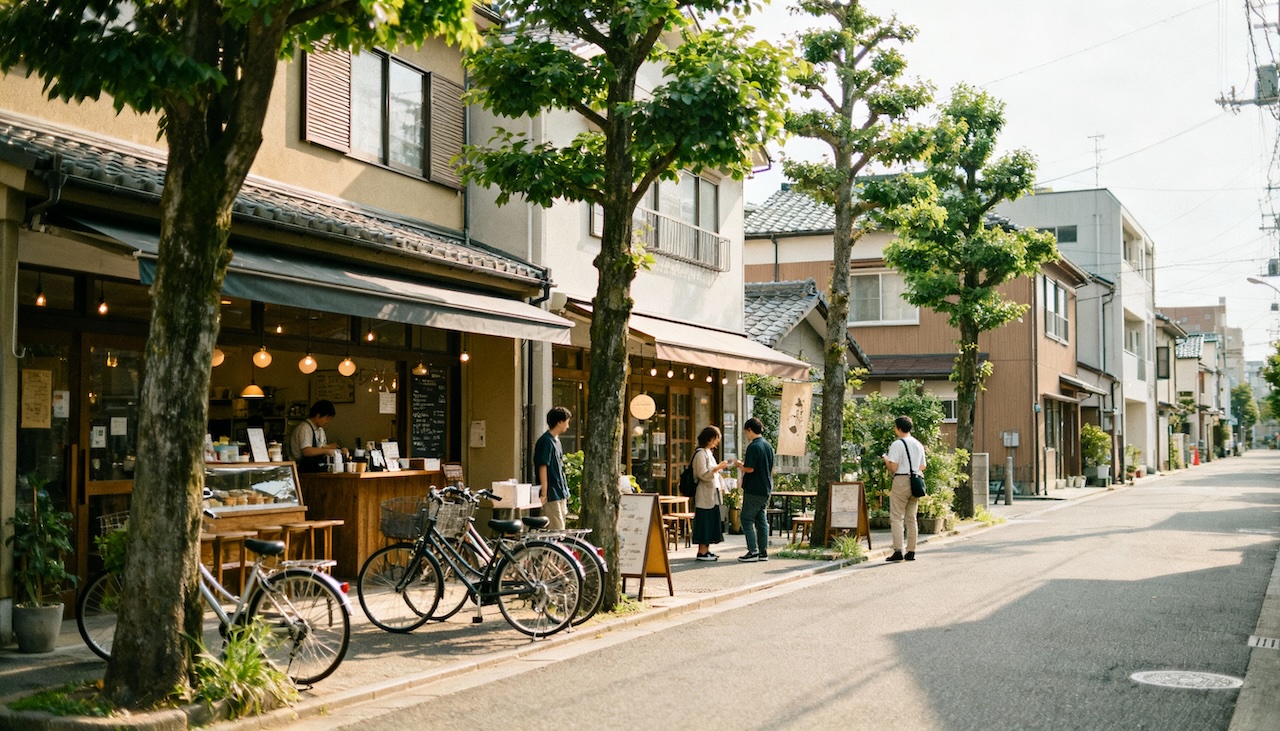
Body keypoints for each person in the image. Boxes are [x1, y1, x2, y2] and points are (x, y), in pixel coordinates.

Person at [882, 415, 926, 562]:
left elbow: (893, 467)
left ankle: (898, 550)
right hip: (916, 480)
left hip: (901, 480)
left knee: (896, 517)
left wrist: (886, 461)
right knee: (911, 518)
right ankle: (911, 551)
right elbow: (923, 466)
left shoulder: (897, 444)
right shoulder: (918, 444)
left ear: (898, 428)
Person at [735, 417, 774, 562]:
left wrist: (740, 465)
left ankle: (753, 551)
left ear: (750, 430)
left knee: (746, 518)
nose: (746, 435)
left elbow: (750, 468)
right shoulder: (767, 446)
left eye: (746, 432)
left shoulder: (754, 446)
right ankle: (763, 551)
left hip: (754, 488)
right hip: (765, 487)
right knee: (761, 520)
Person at [692, 425, 732, 561]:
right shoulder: (700, 454)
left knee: (710, 521)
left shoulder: (708, 453)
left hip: (712, 493)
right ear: (710, 439)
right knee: (704, 521)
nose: (717, 441)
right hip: (704, 494)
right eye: (716, 438)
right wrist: (717, 468)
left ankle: (707, 550)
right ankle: (702, 552)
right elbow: (702, 474)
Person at [535, 406, 572, 530]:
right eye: (567, 421)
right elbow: (543, 466)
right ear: (559, 422)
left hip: (560, 492)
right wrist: (544, 492)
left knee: (560, 529)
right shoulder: (545, 441)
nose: (568, 425)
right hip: (551, 493)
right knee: (557, 529)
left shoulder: (556, 441)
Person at [288, 400, 347, 471]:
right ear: (318, 416)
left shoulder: (320, 430)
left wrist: (336, 449)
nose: (328, 421)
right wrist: (327, 450)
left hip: (315, 465)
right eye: (327, 418)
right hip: (302, 468)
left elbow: (320, 447)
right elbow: (306, 451)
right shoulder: (304, 428)